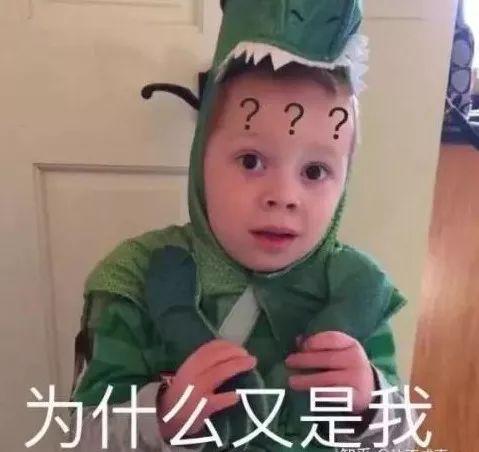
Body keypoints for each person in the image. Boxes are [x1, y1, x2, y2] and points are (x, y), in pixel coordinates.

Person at [70, 1, 419, 450]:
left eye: (315, 171)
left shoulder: (355, 290)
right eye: (251, 161)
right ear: (202, 160)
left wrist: (372, 405)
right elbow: (84, 437)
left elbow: (402, 441)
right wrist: (162, 416)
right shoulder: (135, 279)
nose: (284, 195)